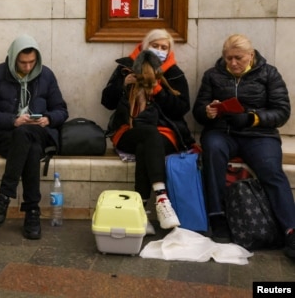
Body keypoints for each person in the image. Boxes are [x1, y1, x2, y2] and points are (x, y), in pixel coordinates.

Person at [192, 34, 295, 258]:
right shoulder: (213, 75)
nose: (233, 63)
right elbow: (198, 110)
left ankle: (291, 229)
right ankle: (217, 216)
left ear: (251, 55)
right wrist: (207, 112)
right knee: (213, 152)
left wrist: (252, 117)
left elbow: (282, 111)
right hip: (222, 132)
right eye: (228, 58)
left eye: (238, 58)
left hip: (259, 134)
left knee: (271, 170)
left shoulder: (269, 73)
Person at [101, 29, 194, 233]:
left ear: (169, 51)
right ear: (145, 46)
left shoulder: (173, 73)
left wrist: (159, 91)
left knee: (148, 143)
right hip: (129, 129)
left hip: (165, 132)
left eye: (164, 47)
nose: (159, 51)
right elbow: (106, 101)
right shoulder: (126, 67)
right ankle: (161, 198)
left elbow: (181, 108)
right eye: (155, 46)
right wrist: (122, 84)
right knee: (148, 136)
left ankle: (140, 213)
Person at [0, 34, 68, 240]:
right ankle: (32, 212)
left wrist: (48, 119)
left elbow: (62, 110)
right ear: (12, 58)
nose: (28, 68)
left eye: (32, 62)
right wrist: (14, 120)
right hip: (6, 134)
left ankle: (4, 197)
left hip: (40, 131)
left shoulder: (46, 75)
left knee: (27, 136)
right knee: (29, 145)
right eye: (23, 63)